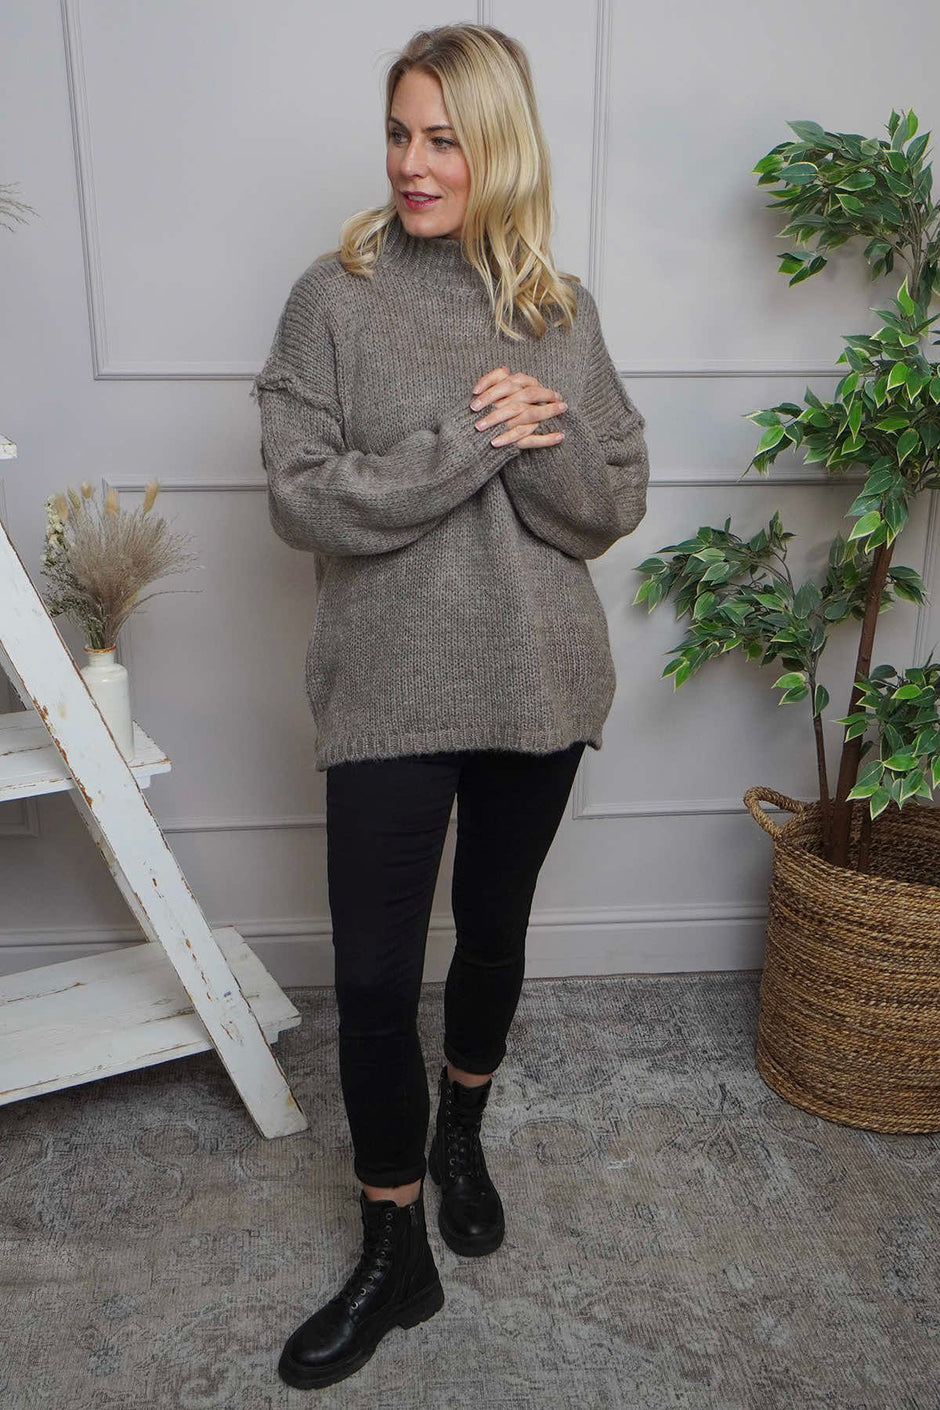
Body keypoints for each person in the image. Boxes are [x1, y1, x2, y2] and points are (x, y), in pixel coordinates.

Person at [252, 22, 650, 1391]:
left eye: (444, 139)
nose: (412, 165)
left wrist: (539, 438)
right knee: (372, 980)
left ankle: (462, 1133)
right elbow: (303, 497)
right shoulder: (332, 298)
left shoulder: (559, 310)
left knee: (491, 934)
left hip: (539, 680)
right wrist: (469, 438)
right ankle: (393, 1243)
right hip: (387, 689)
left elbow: (609, 506)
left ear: (500, 149)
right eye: (399, 133)